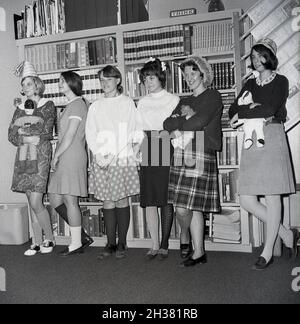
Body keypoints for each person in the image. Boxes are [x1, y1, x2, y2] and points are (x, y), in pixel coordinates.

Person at [229, 38, 298, 270]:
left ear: (270, 57)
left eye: (261, 55)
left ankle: (267, 251)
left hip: (272, 137)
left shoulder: (281, 80)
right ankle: (287, 234)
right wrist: (251, 108)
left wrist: (247, 109)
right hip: (252, 140)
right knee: (247, 200)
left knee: (272, 196)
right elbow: (233, 109)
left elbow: (271, 108)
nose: (256, 60)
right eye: (253, 56)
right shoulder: (250, 82)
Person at [164, 56, 223, 267]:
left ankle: (198, 252)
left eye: (192, 73)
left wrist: (186, 120)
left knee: (192, 206)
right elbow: (167, 122)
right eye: (186, 74)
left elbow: (201, 120)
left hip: (200, 149)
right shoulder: (185, 101)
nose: (188, 78)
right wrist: (186, 118)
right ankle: (189, 240)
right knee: (182, 207)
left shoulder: (213, 96)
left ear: (202, 73)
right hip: (182, 151)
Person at [86, 65, 140, 259]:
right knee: (107, 200)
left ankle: (122, 242)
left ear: (117, 80)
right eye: (101, 80)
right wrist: (100, 155)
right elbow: (90, 132)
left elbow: (130, 130)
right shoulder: (95, 105)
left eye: (108, 79)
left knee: (121, 199)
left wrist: (112, 155)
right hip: (101, 158)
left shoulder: (126, 102)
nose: (104, 83)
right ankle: (110, 242)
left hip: (121, 156)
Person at [9, 61, 55, 256]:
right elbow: (11, 135)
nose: (25, 87)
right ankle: (36, 241)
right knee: (30, 200)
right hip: (23, 157)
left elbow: (45, 132)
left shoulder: (48, 105)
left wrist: (23, 130)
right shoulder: (19, 108)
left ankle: (50, 239)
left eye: (28, 83)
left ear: (37, 84)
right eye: (23, 84)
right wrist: (25, 134)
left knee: (36, 200)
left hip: (41, 156)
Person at [137, 57, 179, 260]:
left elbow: (176, 128)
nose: (148, 82)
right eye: (145, 79)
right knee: (149, 199)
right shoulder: (142, 102)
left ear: (161, 77)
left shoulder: (173, 99)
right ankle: (154, 243)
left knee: (164, 198)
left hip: (165, 144)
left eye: (152, 77)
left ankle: (164, 244)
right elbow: (138, 129)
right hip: (148, 145)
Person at [48, 71, 93, 257]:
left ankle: (75, 243)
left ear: (72, 83)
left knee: (70, 200)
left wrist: (55, 155)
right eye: (59, 81)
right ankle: (82, 236)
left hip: (71, 155)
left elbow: (70, 135)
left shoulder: (77, 104)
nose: (59, 83)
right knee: (55, 199)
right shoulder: (70, 105)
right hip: (66, 155)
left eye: (62, 81)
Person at [13, 98, 44, 174]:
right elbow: (15, 126)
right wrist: (15, 132)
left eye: (30, 108)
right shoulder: (22, 119)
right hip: (25, 138)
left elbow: (41, 126)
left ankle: (33, 168)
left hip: (32, 138)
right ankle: (22, 167)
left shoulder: (37, 118)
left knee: (32, 152)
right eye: (27, 107)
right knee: (23, 152)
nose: (28, 109)